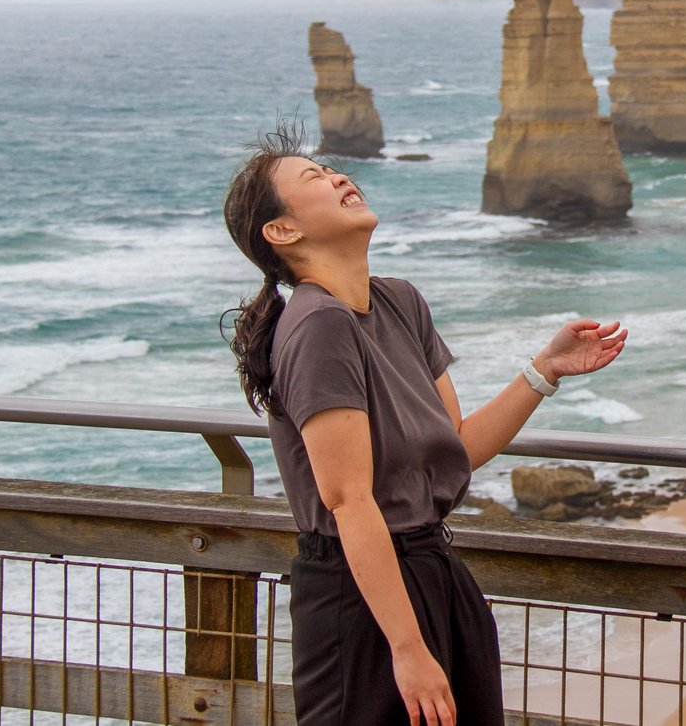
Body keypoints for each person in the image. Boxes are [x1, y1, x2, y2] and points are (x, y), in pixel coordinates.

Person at [222, 128, 627, 726]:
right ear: (283, 232)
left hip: (436, 571)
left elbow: (455, 446)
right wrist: (407, 650)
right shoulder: (317, 326)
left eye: (331, 170)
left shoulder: (399, 302)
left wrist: (546, 370)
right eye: (314, 179)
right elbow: (347, 499)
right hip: (360, 602)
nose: (338, 177)